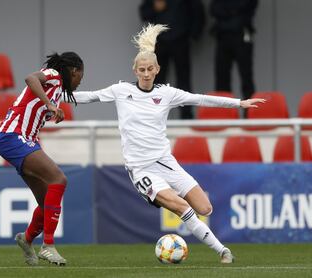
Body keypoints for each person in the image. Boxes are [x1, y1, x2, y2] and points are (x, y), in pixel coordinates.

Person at [67, 24, 265, 263]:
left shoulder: (167, 94)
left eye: (150, 69)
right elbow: (89, 96)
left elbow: (199, 99)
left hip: (165, 162)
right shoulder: (121, 91)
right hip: (140, 168)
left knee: (205, 208)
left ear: (158, 69)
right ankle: (223, 251)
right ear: (135, 70)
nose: (146, 73)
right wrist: (53, 96)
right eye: (142, 69)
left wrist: (238, 104)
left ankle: (193, 223)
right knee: (181, 207)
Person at [0, 52, 84, 266]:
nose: (80, 81)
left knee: (46, 204)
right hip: (13, 136)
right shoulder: (54, 75)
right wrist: (51, 106)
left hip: (24, 139)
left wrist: (52, 106)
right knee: (59, 179)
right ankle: (48, 246)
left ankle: (26, 239)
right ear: (74, 71)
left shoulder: (57, 90)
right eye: (81, 76)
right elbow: (30, 78)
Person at [139, 0, 205, 119]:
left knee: (183, 80)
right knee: (156, 80)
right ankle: (154, 116)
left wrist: (194, 34)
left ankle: (186, 117)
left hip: (180, 40)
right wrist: (154, 7)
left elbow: (197, 10)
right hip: (159, 41)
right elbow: (144, 12)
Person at [210, 0, 258, 101]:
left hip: (241, 34)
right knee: (221, 78)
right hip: (222, 36)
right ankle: (223, 111)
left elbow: (247, 5)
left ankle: (249, 112)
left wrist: (228, 9)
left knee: (246, 77)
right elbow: (214, 9)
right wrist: (234, 10)